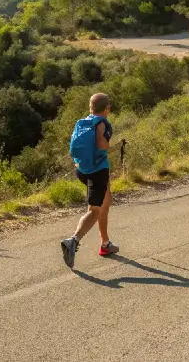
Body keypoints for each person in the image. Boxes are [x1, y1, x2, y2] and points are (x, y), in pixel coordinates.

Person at [60, 93, 118, 269]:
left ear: (90, 107)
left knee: (105, 201)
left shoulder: (84, 122)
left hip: (82, 170)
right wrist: (111, 147)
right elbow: (101, 145)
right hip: (97, 171)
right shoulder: (101, 123)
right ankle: (73, 241)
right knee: (94, 210)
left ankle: (105, 244)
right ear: (107, 108)